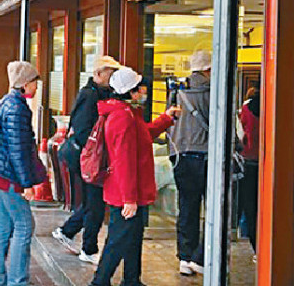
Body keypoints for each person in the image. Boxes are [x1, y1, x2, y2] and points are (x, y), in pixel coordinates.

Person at [90, 67, 179, 286]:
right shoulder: (123, 118)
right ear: (131, 92)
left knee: (132, 236)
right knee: (119, 239)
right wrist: (129, 198)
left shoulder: (128, 113)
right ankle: (100, 281)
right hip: (126, 192)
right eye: (141, 89)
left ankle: (132, 279)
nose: (144, 92)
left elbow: (144, 135)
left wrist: (166, 119)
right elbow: (124, 162)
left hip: (131, 190)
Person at [53, 56, 121, 264]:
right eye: (111, 74)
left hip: (87, 157)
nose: (113, 79)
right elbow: (83, 131)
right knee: (95, 204)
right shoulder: (90, 96)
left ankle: (68, 231)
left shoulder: (102, 94)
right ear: (98, 74)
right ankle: (88, 248)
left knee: (94, 202)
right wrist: (94, 155)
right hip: (84, 157)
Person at [0, 61, 48, 286]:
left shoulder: (7, 100)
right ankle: (18, 281)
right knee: (23, 226)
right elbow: (18, 150)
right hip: (8, 176)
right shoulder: (18, 108)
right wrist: (27, 184)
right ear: (24, 84)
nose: (36, 87)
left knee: (4, 226)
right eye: (34, 83)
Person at [167, 50, 211, 276]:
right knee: (212, 209)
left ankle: (185, 257)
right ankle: (201, 257)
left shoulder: (177, 90)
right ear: (208, 69)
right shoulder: (212, 89)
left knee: (186, 207)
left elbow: (168, 121)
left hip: (181, 156)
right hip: (205, 156)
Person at [238, 87, 259, 252]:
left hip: (248, 159)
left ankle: (255, 245)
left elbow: (241, 134)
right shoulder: (276, 107)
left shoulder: (246, 109)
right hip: (270, 161)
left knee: (249, 206)